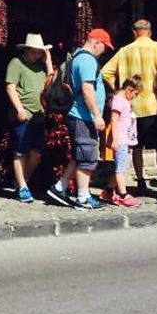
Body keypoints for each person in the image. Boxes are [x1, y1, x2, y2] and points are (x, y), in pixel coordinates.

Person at [101, 18, 157, 195]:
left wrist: (118, 90)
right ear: (150, 32)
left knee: (136, 146)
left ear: (134, 33)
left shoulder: (124, 50)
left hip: (131, 106)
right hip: (152, 104)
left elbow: (105, 72)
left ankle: (140, 180)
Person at [47, 27, 114, 210]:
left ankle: (59, 187)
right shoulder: (87, 60)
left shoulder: (79, 57)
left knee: (79, 155)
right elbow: (87, 89)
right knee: (87, 156)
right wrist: (97, 115)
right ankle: (83, 197)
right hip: (83, 116)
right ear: (96, 42)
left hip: (80, 115)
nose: (104, 51)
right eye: (104, 47)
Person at [5, 33, 53, 202]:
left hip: (39, 114)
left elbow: (51, 83)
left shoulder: (40, 66)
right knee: (20, 152)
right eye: (35, 52)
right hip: (24, 114)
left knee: (37, 153)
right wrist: (19, 109)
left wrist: (48, 62)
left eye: (40, 52)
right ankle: (23, 187)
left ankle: (22, 181)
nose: (37, 55)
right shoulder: (16, 63)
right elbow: (10, 87)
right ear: (27, 50)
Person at [109, 76, 144, 208]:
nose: (135, 96)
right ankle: (123, 195)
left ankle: (108, 190)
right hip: (120, 139)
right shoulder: (119, 101)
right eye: (135, 93)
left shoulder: (124, 101)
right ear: (129, 89)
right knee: (120, 169)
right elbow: (114, 120)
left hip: (125, 139)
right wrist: (115, 139)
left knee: (122, 166)